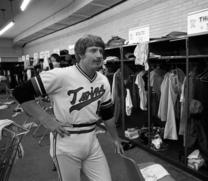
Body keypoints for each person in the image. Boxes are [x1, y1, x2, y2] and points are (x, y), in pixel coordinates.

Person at [13, 34, 124, 181]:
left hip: (92, 139)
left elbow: (107, 113)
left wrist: (115, 138)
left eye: (101, 51)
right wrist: (46, 119)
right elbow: (20, 92)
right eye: (93, 50)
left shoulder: (103, 80)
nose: (99, 55)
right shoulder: (61, 75)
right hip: (66, 140)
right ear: (80, 55)